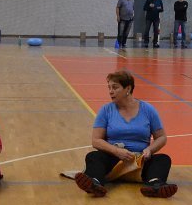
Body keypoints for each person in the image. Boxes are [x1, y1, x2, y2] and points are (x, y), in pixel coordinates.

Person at [74, 69, 177, 198]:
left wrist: (150, 150)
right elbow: (96, 141)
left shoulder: (148, 110)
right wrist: (117, 151)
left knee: (163, 159)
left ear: (128, 88)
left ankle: (155, 185)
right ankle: (94, 183)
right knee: (94, 157)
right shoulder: (106, 110)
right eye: (109, 87)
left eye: (115, 87)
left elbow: (161, 137)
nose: (110, 91)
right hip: (113, 159)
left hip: (139, 161)